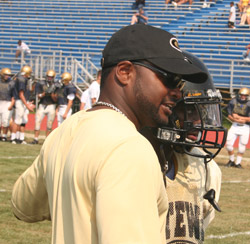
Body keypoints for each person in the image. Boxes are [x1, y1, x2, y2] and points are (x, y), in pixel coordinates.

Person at [11, 24, 208, 244]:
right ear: (125, 72)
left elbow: (22, 205)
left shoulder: (64, 131)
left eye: (180, 84)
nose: (177, 92)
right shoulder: (130, 147)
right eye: (169, 79)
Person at [141, 51, 227, 243]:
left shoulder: (207, 169)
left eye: (200, 110)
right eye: (188, 109)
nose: (198, 121)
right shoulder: (134, 160)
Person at [31, 69, 57, 144]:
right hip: (42, 105)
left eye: (51, 77)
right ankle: (35, 139)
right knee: (37, 122)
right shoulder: (41, 84)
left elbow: (56, 99)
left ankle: (47, 140)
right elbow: (38, 96)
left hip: (51, 105)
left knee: (49, 124)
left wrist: (52, 94)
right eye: (48, 77)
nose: (49, 78)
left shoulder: (56, 85)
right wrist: (44, 94)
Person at [226, 87, 250, 169]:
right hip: (235, 125)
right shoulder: (233, 101)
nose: (243, 97)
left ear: (247, 96)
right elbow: (229, 114)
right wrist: (234, 119)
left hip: (245, 127)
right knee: (228, 144)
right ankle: (231, 160)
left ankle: (238, 163)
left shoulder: (249, 104)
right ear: (239, 95)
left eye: (245, 95)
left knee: (242, 146)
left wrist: (239, 117)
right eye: (242, 95)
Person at [11, 65, 35, 144]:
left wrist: (28, 102)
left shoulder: (24, 79)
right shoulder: (21, 79)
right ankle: (13, 138)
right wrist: (27, 105)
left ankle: (20, 138)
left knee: (23, 121)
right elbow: (21, 94)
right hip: (20, 101)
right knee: (17, 120)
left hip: (23, 101)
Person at [0, 68, 15, 141]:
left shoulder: (11, 83)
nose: (7, 76)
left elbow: (14, 95)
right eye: (6, 75)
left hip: (7, 102)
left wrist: (11, 104)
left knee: (5, 121)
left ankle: (4, 136)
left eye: (8, 75)